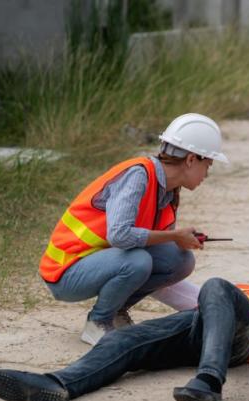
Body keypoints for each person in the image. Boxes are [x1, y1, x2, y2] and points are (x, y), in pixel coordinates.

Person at [0, 278, 249, 401]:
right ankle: (57, 384)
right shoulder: (245, 289)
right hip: (196, 328)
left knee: (215, 286)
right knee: (125, 338)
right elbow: (172, 287)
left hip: (245, 339)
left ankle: (209, 384)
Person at [39, 113, 229, 346]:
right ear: (191, 159)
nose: (206, 174)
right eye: (207, 165)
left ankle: (117, 313)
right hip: (66, 272)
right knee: (138, 259)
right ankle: (98, 323)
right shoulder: (138, 175)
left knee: (180, 259)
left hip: (100, 264)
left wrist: (208, 306)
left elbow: (158, 277)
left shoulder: (168, 193)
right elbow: (119, 236)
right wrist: (173, 236)